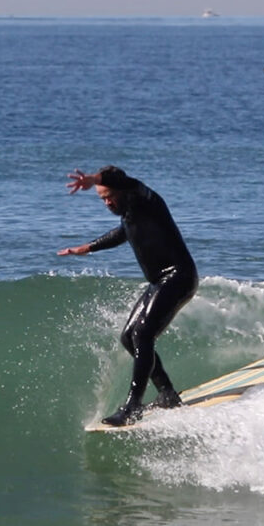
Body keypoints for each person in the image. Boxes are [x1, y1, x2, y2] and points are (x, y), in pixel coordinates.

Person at [59, 166, 199, 426]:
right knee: (128, 338)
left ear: (122, 189)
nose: (107, 201)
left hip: (179, 277)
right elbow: (122, 233)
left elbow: (126, 181)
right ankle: (167, 393)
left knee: (142, 334)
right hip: (159, 281)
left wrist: (94, 179)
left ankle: (133, 406)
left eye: (109, 195)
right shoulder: (130, 216)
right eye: (102, 198)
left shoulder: (146, 199)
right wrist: (88, 248)